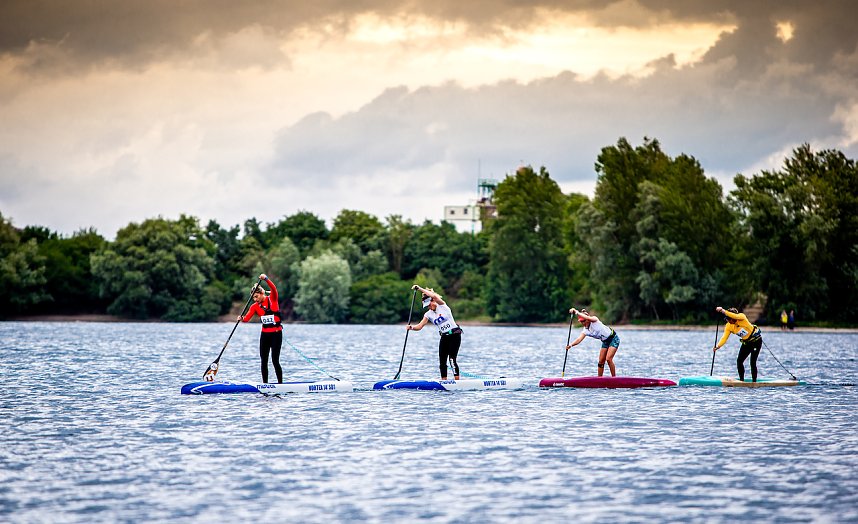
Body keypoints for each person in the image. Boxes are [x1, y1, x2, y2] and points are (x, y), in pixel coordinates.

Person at [406, 284, 463, 380]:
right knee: (442, 361)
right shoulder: (428, 314)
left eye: (429, 305)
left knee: (452, 359)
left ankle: (457, 381)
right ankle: (444, 381)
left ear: (433, 301)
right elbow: (419, 326)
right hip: (444, 337)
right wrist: (411, 327)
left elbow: (434, 296)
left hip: (454, 335)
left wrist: (419, 288)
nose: (428, 308)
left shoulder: (442, 306)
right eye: (426, 306)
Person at [239, 274, 283, 383]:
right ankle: (265, 384)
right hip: (265, 335)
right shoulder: (254, 306)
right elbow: (246, 319)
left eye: (256, 296)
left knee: (275, 361)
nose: (255, 299)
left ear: (262, 293)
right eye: (253, 297)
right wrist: (241, 318)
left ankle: (280, 384)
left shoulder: (272, 299)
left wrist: (266, 279)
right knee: (264, 361)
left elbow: (273, 288)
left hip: (276, 334)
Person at [713, 306, 763, 382]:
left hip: (756, 341)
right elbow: (724, 337)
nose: (728, 321)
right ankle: (741, 381)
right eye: (727, 319)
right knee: (739, 361)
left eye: (729, 319)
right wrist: (718, 346)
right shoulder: (728, 326)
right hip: (747, 343)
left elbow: (734, 315)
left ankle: (754, 382)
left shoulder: (741, 317)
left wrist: (722, 310)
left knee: (752, 362)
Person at [566, 308, 620, 377]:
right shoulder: (585, 330)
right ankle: (599, 379)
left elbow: (587, 317)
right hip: (605, 341)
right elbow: (579, 339)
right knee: (601, 362)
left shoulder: (594, 320)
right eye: (581, 322)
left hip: (613, 338)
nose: (583, 323)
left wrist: (576, 312)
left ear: (588, 319)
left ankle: (614, 378)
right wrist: (570, 345)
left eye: (584, 321)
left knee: (608, 359)